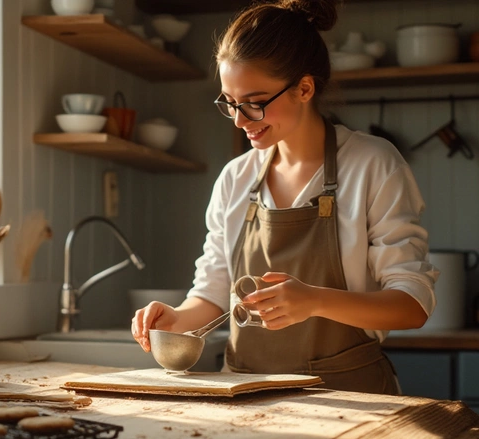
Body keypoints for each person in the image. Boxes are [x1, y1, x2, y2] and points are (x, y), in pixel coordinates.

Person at [131, 0, 438, 395]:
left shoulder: (372, 164)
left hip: (351, 398)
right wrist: (173, 320)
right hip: (246, 397)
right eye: (229, 102)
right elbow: (211, 294)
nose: (240, 120)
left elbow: (412, 305)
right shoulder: (234, 178)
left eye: (254, 103)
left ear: (304, 88)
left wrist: (313, 300)